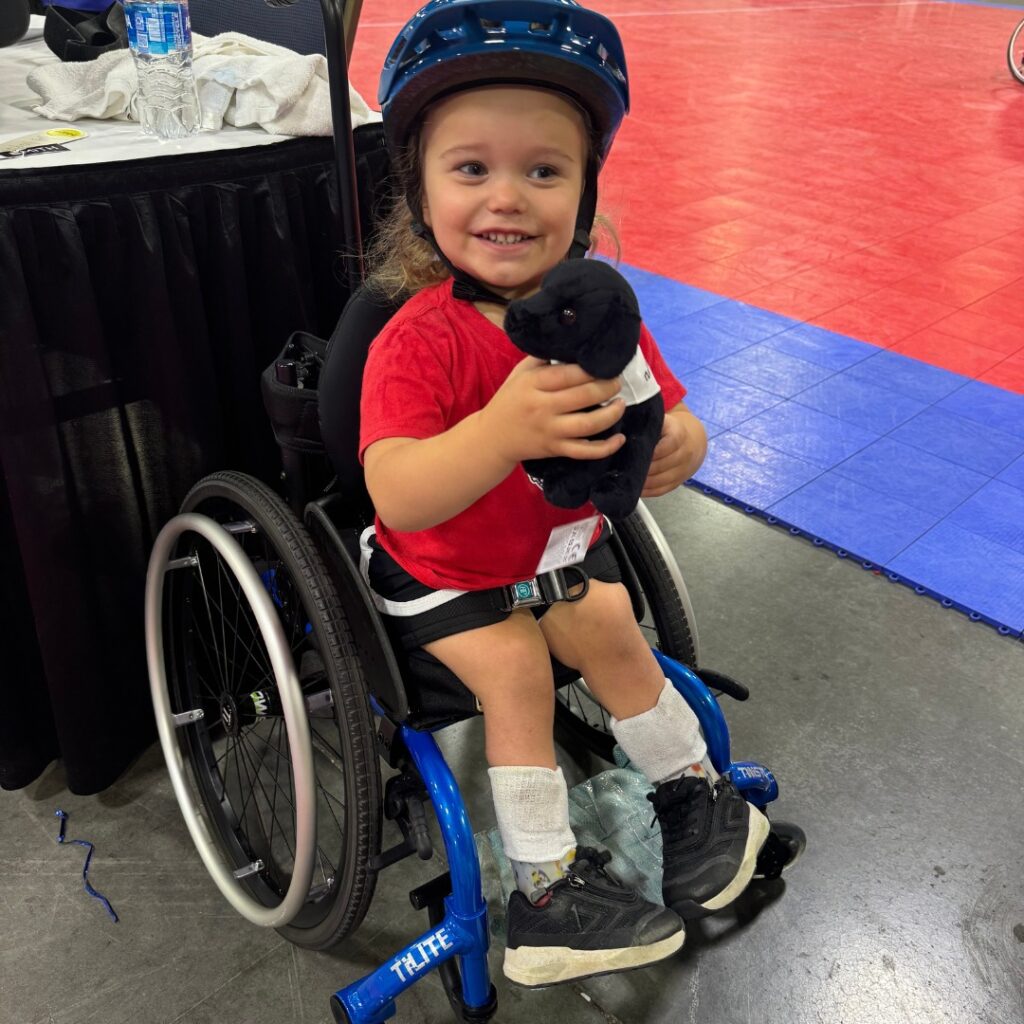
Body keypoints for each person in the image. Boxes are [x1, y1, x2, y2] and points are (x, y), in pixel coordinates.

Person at [357, 0, 769, 989]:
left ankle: (690, 795)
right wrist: (498, 432)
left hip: (554, 560)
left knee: (617, 625)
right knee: (515, 672)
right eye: (472, 169)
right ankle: (542, 893)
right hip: (440, 574)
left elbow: (664, 412)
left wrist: (679, 444)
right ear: (420, 189)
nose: (508, 197)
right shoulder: (421, 339)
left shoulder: (595, 321)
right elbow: (398, 492)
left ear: (584, 194)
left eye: (543, 170)